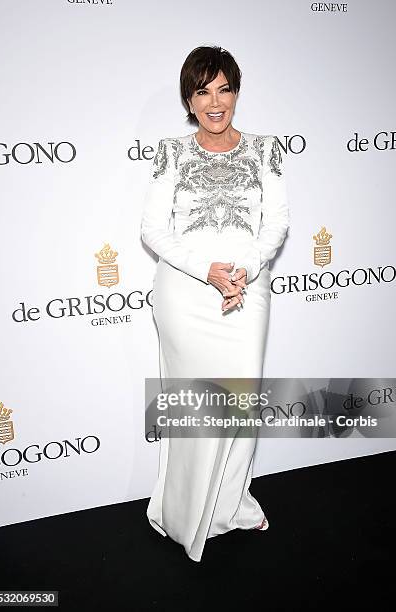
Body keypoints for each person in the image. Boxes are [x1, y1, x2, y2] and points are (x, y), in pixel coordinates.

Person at [141, 45, 290, 562]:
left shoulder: (267, 149)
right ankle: (184, 512)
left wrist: (243, 270)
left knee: (240, 403)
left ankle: (230, 505)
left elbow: (276, 223)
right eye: (202, 90)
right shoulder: (171, 152)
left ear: (236, 92)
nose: (214, 100)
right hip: (185, 291)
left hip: (246, 289)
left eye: (223, 88)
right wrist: (207, 272)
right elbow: (153, 229)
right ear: (189, 98)